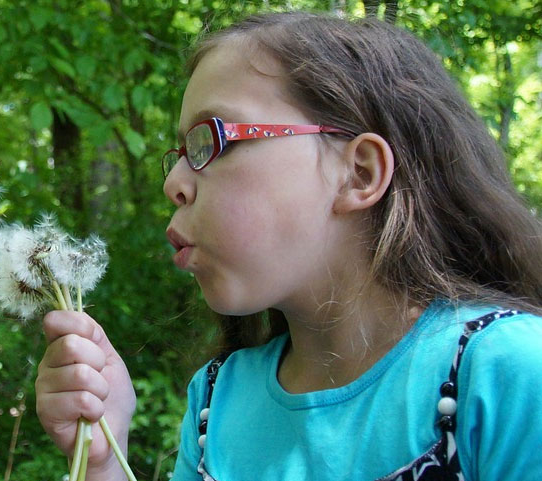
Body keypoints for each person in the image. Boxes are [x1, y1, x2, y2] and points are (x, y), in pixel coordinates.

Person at [34, 11, 542, 481]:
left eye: (209, 141)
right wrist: (103, 456)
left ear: (357, 174)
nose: (174, 184)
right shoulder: (219, 398)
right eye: (180, 154)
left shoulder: (505, 373)